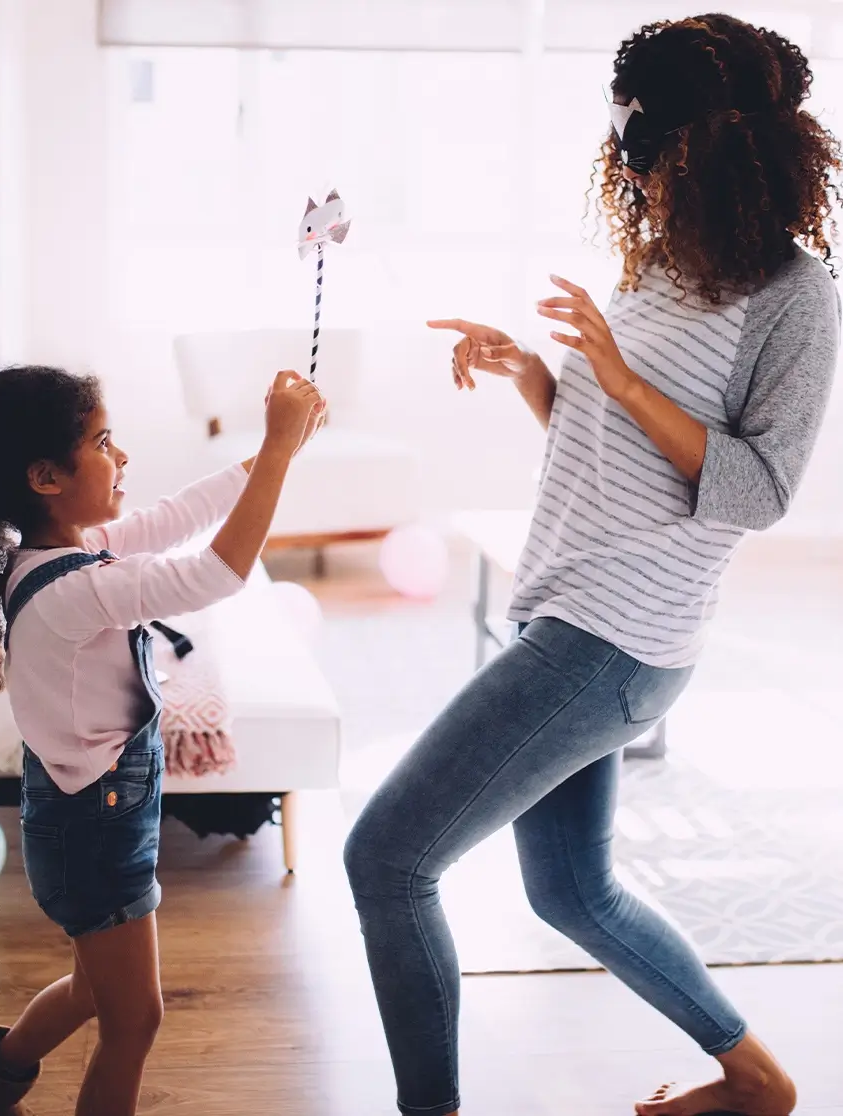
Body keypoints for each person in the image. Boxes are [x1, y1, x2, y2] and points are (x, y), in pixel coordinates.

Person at [344, 14, 840, 1116]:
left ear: (717, 148)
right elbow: (610, 441)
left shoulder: (796, 299)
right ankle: (755, 1080)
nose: (630, 169)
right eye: (623, 146)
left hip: (617, 637)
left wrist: (615, 376)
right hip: (565, 609)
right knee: (572, 891)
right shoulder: (663, 261)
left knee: (386, 859)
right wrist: (534, 372)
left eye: (646, 149)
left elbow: (759, 492)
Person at [0, 364, 324, 1116]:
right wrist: (275, 452)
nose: (121, 458)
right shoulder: (75, 589)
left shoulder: (71, 550)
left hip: (94, 815)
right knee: (133, 1018)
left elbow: (183, 515)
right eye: (102, 442)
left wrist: (279, 449)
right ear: (45, 476)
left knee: (94, 990)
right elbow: (217, 573)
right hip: (93, 827)